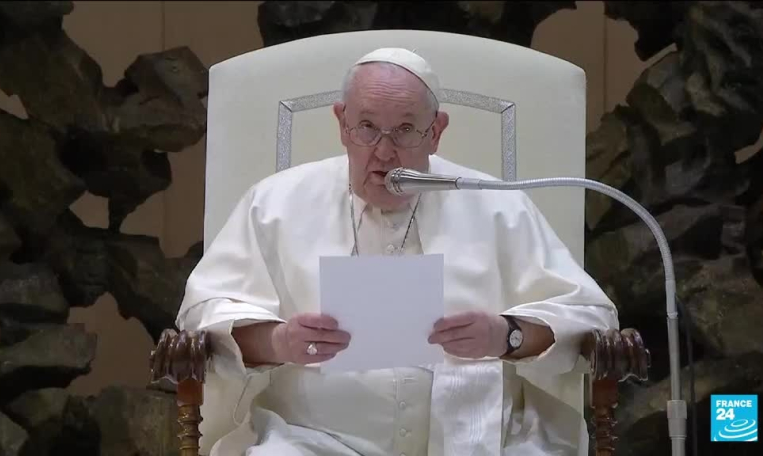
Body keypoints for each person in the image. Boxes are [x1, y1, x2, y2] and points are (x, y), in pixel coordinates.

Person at [177, 48, 618, 456]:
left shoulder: (497, 205)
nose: (384, 153)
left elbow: (589, 317)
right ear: (342, 124)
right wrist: (279, 342)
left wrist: (507, 336)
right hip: (312, 440)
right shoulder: (274, 204)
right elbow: (204, 316)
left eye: (405, 130)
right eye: (367, 127)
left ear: (436, 132)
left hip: (481, 436)